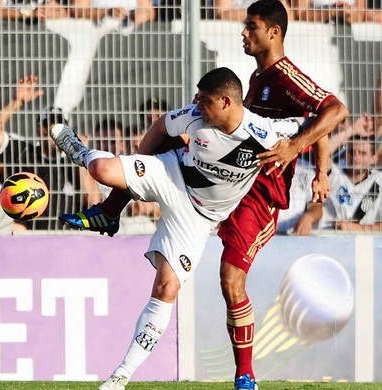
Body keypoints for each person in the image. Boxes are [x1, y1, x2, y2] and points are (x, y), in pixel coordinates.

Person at [59, 1, 349, 388]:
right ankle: (109, 208)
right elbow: (314, 120)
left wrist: (309, 159)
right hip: (211, 182)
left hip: (259, 193)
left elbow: (332, 109)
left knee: (230, 280)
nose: (243, 32)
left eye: (252, 26)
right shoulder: (257, 78)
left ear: (274, 32)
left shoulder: (284, 74)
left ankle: (244, 373)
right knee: (144, 162)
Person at [50, 67, 307, 390]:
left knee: (166, 288)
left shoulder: (265, 133)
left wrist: (308, 159)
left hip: (198, 219)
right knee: (103, 169)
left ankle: (119, 378)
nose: (197, 105)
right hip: (171, 173)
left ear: (226, 102)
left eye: (206, 101)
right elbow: (161, 126)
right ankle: (80, 150)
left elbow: (321, 122)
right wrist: (130, 179)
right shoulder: (195, 117)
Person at [318, 135, 382, 231]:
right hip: (329, 237)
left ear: (373, 158)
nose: (356, 157)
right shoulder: (334, 174)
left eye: (362, 153)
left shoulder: (379, 181)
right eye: (351, 152)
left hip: (364, 241)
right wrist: (351, 130)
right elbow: (322, 151)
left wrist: (355, 228)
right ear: (344, 154)